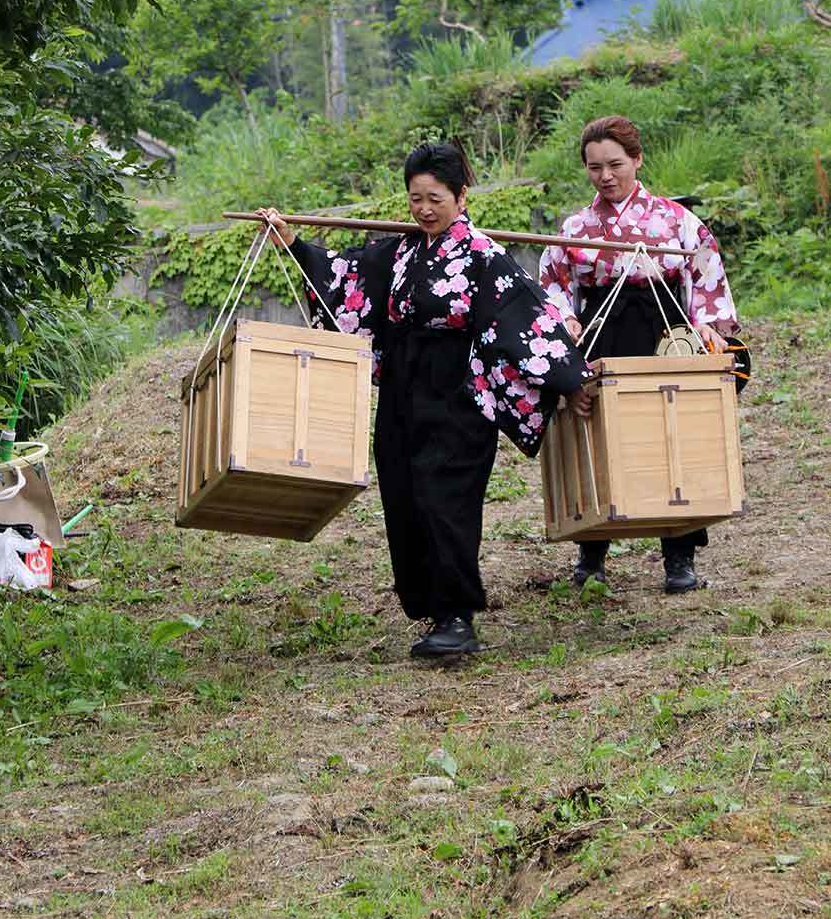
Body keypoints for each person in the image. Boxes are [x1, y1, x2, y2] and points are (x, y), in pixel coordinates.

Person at [258, 141, 589, 658]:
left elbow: (526, 321)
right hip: (402, 390)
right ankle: (433, 608)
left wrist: (570, 380)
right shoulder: (399, 251)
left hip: (459, 393)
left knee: (446, 500)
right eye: (415, 198)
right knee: (405, 494)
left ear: (460, 195)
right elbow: (344, 278)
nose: (424, 209)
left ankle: (458, 617)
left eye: (435, 198)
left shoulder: (485, 257)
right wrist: (293, 242)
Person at [539, 115, 740, 594]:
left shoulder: (676, 220)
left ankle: (679, 557)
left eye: (615, 165)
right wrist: (566, 328)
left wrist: (707, 333)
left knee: (676, 440)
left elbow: (706, 280)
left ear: (637, 160)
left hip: (665, 332)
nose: (605, 176)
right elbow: (553, 291)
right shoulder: (575, 228)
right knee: (601, 440)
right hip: (602, 335)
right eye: (594, 168)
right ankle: (592, 553)